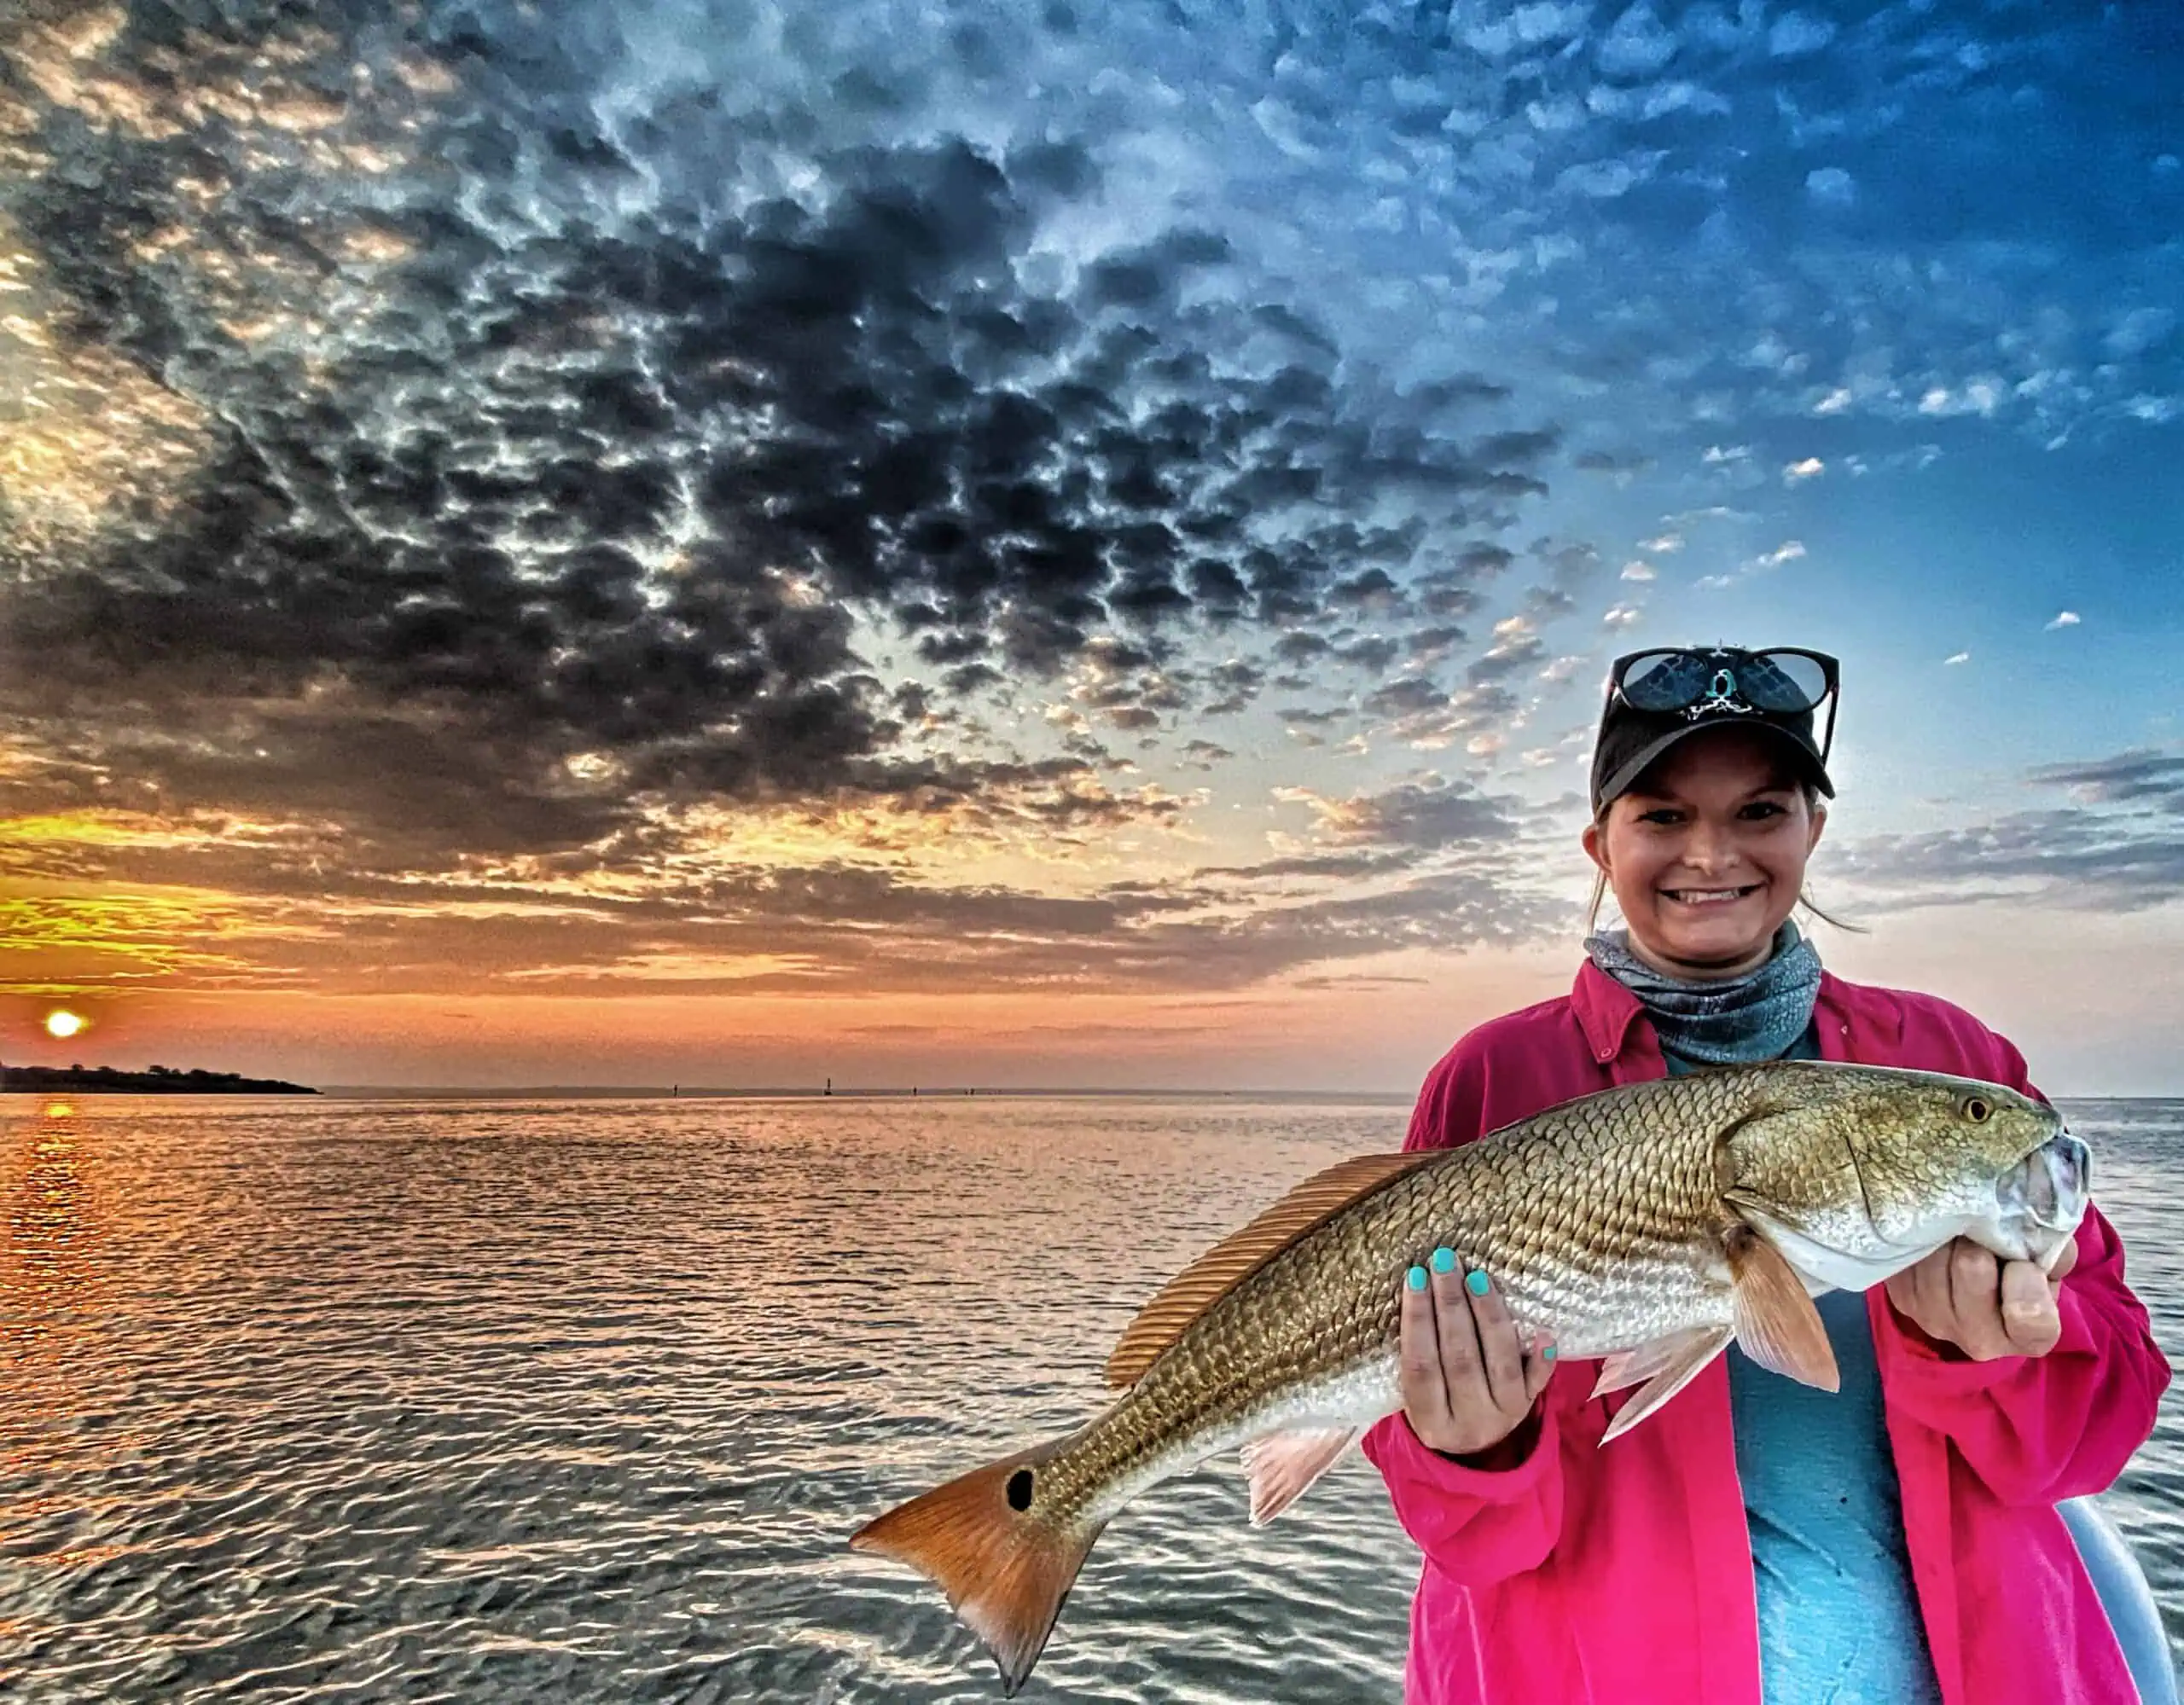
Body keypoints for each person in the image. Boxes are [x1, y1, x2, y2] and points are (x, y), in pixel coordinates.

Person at [1360, 646, 2173, 1705]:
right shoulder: (1495, 1078)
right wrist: (1470, 1450)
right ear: (1598, 842)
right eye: (1660, 815)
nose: (1711, 853)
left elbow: (2090, 1434)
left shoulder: (1950, 1058)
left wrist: (1993, 1351)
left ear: (1812, 830)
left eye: (1759, 811)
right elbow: (1466, 1532)